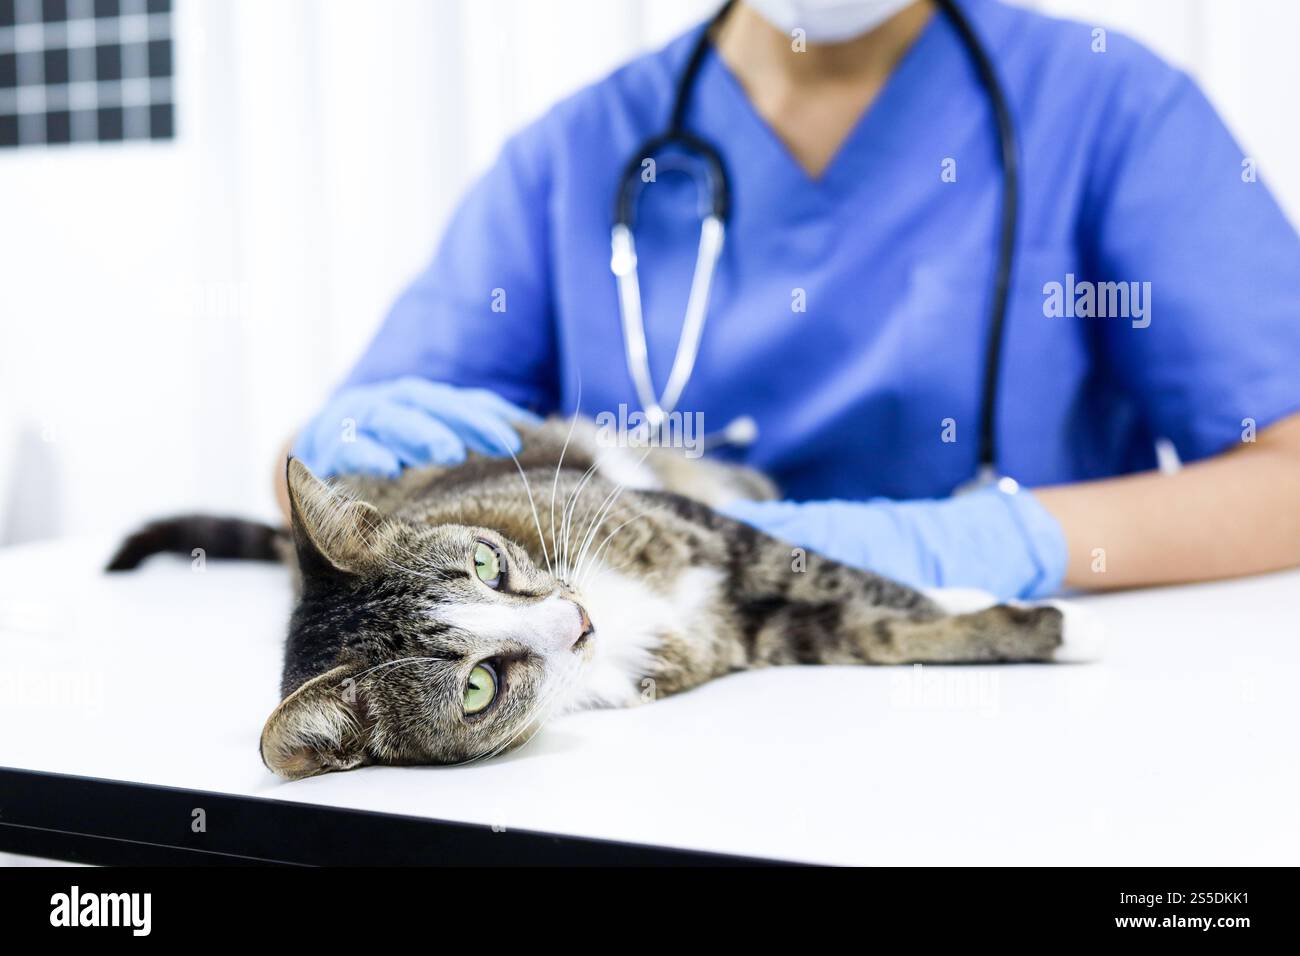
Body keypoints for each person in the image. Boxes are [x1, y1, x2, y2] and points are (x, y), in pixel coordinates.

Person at [286, 0, 1300, 600]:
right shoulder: (574, 153)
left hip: (1013, 691)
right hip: (660, 725)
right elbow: (332, 489)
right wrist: (343, 445)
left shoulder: (1106, 106)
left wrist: (995, 543)